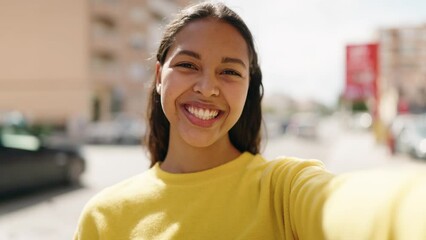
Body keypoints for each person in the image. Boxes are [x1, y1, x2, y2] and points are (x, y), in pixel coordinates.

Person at [74, 2, 426, 239]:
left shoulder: (282, 190)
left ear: (249, 88)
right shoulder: (103, 218)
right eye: (188, 65)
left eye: (229, 71)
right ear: (159, 75)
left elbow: (358, 206)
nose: (207, 87)